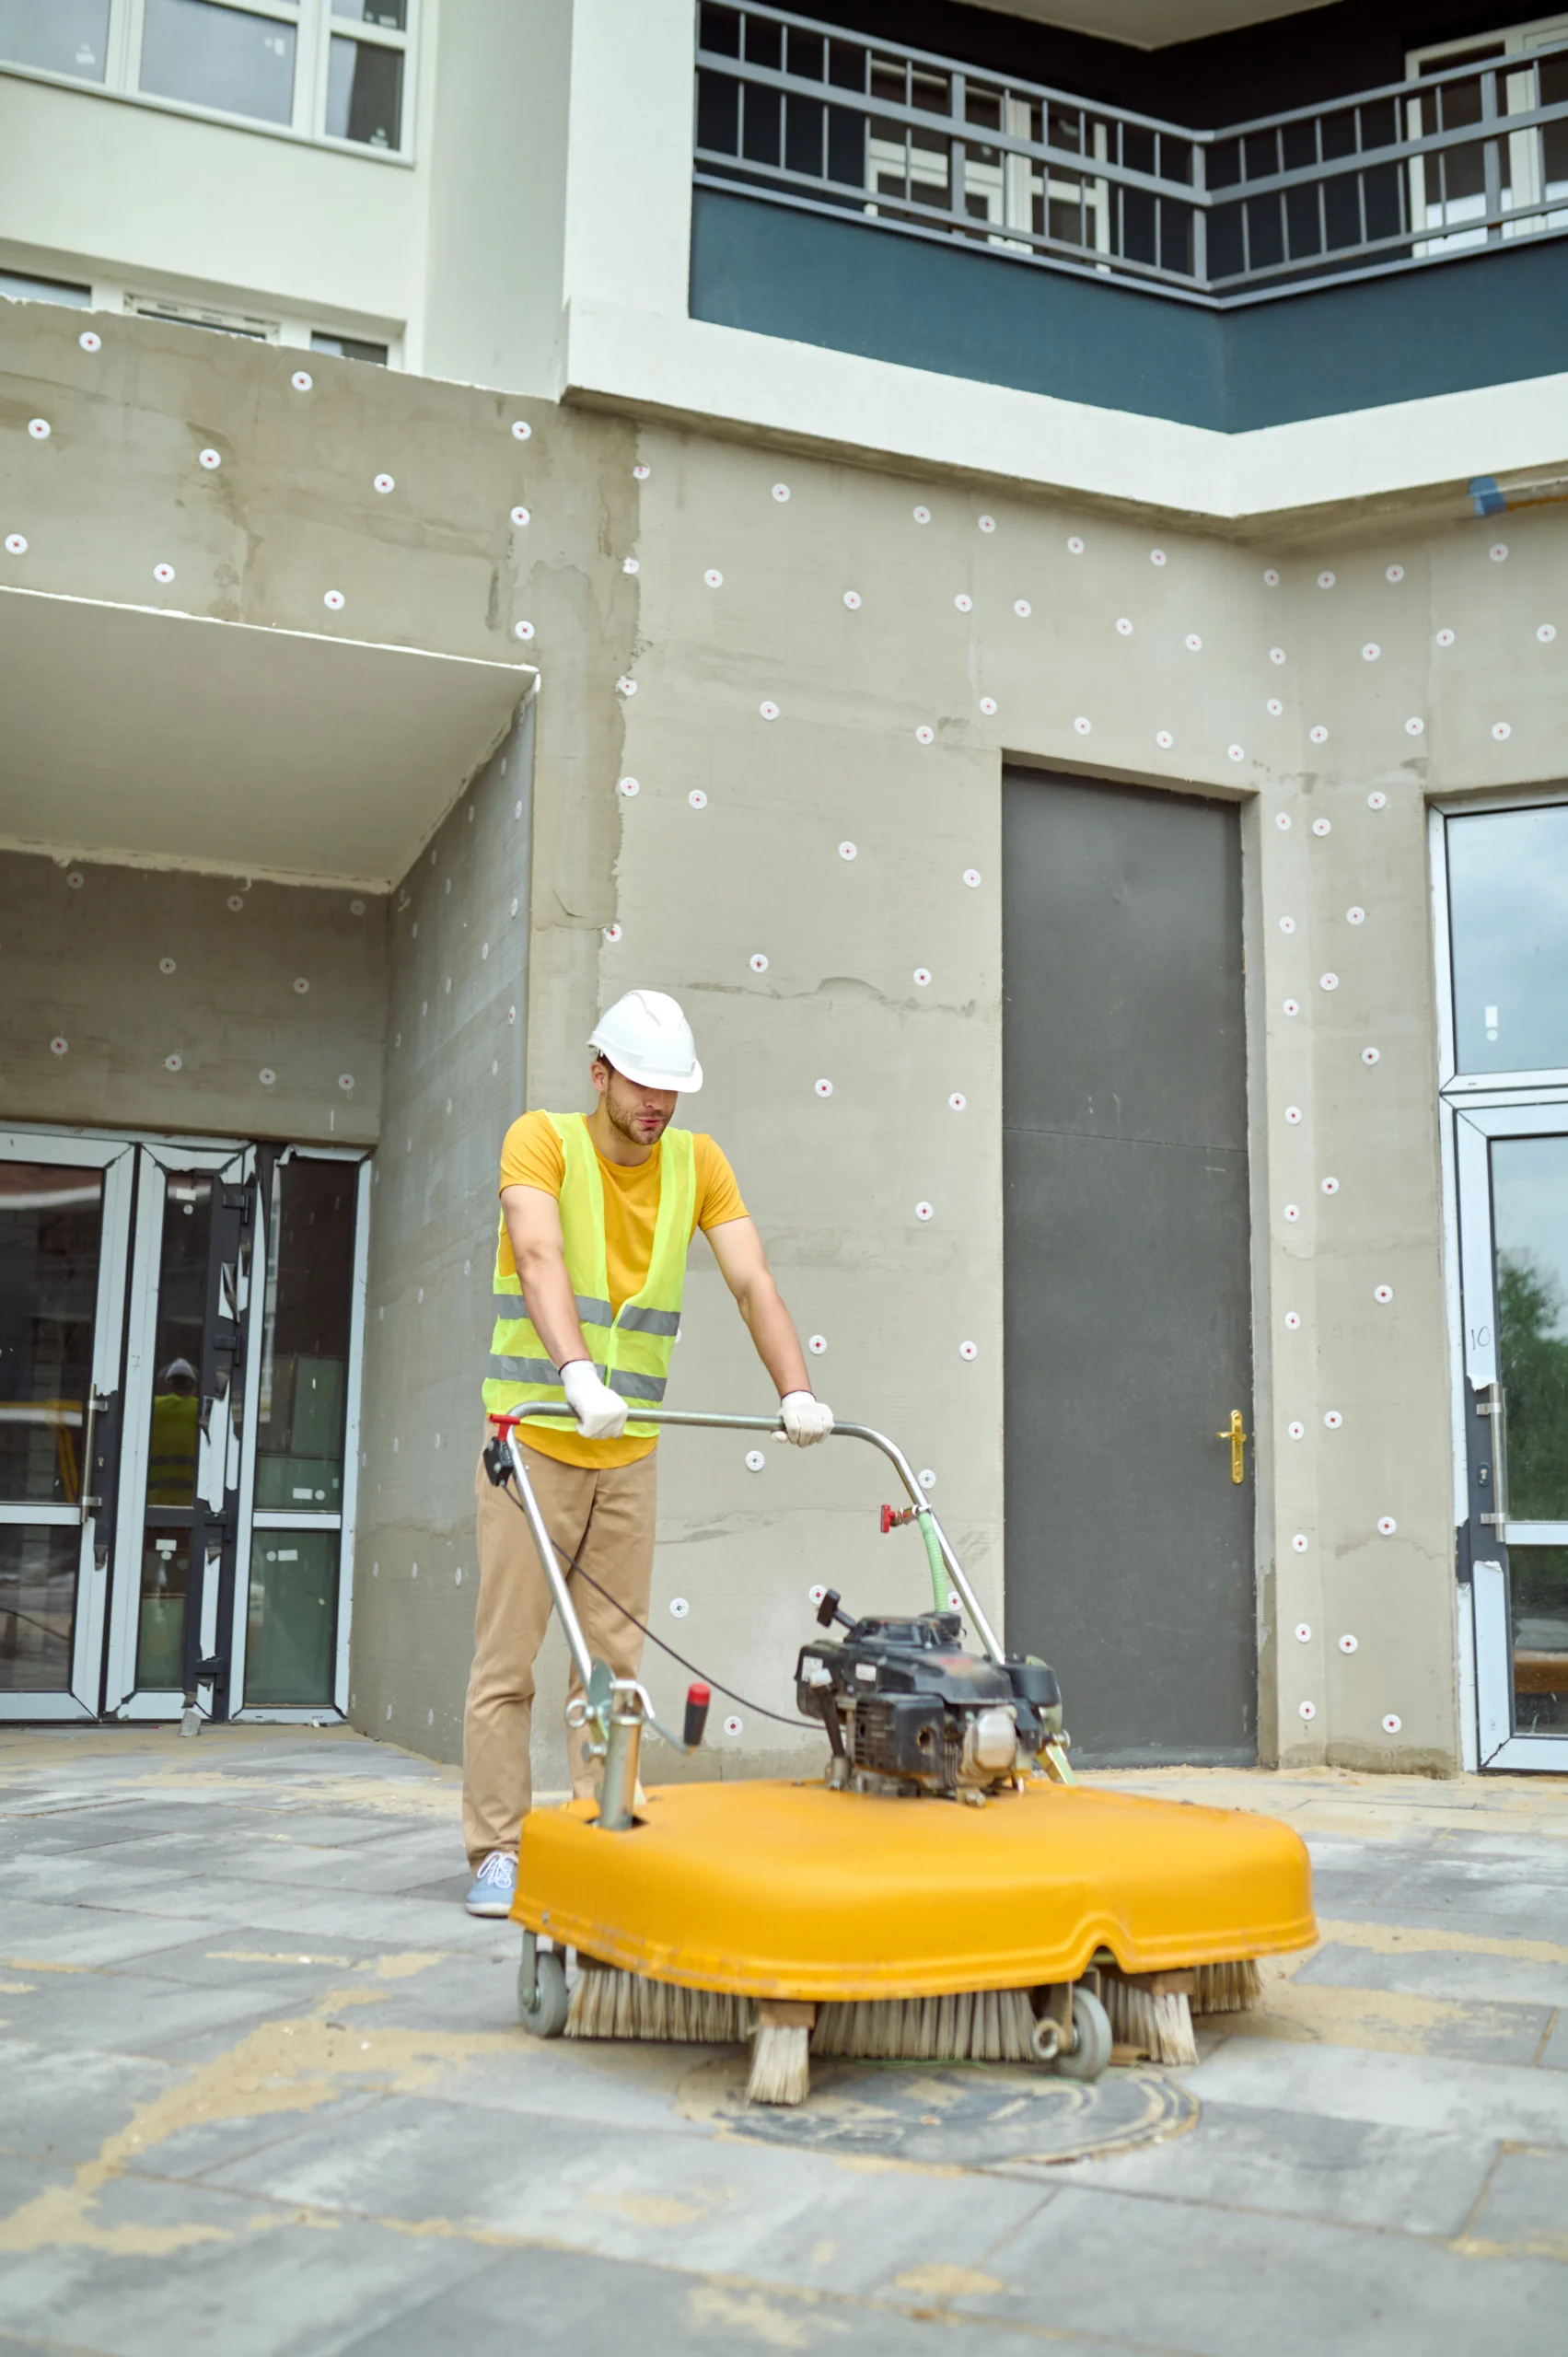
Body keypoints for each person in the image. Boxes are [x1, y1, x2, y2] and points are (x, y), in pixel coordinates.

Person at [462, 989, 833, 1914]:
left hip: (628, 1453)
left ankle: (603, 1837)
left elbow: (753, 1280)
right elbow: (538, 1255)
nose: (657, 1101)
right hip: (534, 1439)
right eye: (641, 1082)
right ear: (599, 1073)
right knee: (507, 1662)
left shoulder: (696, 1163)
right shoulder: (539, 1141)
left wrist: (794, 1388)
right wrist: (577, 1374)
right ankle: (495, 1852)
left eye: (672, 1085)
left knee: (613, 1666)